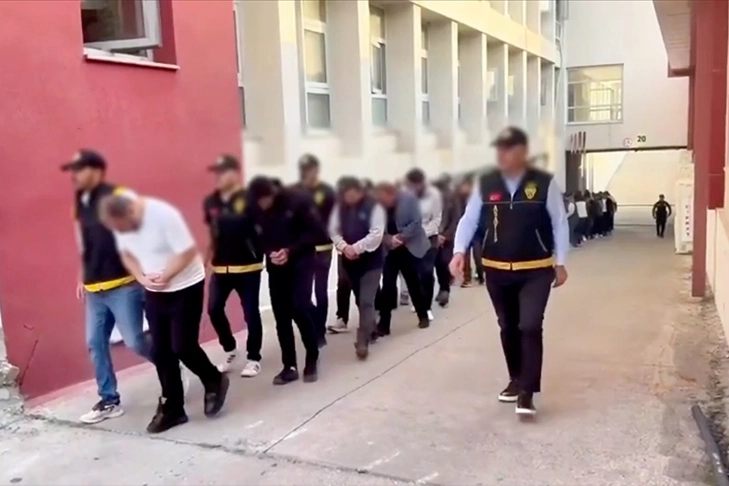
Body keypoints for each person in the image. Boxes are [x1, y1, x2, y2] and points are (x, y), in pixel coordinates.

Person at [449, 126, 570, 417]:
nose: (502, 155)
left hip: (536, 269)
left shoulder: (544, 183)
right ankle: (516, 379)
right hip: (497, 269)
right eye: (500, 149)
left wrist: (561, 262)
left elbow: (559, 222)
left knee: (530, 325)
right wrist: (459, 251)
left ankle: (527, 392)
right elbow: (469, 219)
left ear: (523, 152)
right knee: (508, 326)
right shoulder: (486, 183)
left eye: (509, 149)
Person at [99, 192, 229, 434]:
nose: (121, 232)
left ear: (130, 212)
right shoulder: (119, 222)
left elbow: (187, 253)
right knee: (161, 350)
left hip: (186, 286)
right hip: (155, 290)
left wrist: (167, 276)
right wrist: (141, 277)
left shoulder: (163, 215)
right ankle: (173, 408)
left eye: (122, 227)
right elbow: (126, 255)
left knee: (183, 346)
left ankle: (213, 378)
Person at [62, 150, 152, 425]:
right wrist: (82, 276)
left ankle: (169, 366)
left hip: (123, 285)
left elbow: (139, 234)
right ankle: (109, 400)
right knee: (95, 343)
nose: (74, 175)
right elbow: (83, 243)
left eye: (79, 169)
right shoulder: (80, 200)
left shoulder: (119, 196)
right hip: (94, 288)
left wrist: (142, 273)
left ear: (97, 170)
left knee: (136, 341)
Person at [247, 176, 322, 384]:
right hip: (276, 265)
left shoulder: (297, 200)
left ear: (272, 194)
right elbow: (255, 236)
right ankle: (289, 366)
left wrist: (290, 250)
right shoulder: (254, 208)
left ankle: (312, 356)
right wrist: (268, 251)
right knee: (281, 315)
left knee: (299, 308)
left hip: (301, 262)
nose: (262, 205)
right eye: (258, 201)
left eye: (265, 200)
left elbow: (316, 232)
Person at [203, 155, 264, 378]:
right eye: (216, 173)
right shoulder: (211, 202)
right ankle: (230, 348)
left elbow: (264, 229)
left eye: (222, 172)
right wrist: (206, 260)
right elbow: (212, 232)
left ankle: (254, 358)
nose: (218, 177)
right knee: (214, 309)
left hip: (248, 267)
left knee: (250, 313)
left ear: (235, 173)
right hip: (221, 268)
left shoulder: (250, 199)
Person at [329, 177, 385, 359]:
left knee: (367, 300)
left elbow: (376, 234)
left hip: (371, 262)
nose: (349, 198)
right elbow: (333, 230)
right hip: (349, 262)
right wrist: (344, 247)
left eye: (352, 194)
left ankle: (362, 342)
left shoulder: (374, 207)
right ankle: (371, 328)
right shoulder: (340, 208)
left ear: (360, 192)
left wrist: (357, 248)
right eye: (346, 194)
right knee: (360, 300)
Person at [375, 181, 431, 334]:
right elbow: (377, 227)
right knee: (388, 285)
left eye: (384, 198)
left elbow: (416, 222)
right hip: (390, 250)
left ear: (391, 194)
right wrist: (388, 240)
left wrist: (401, 237)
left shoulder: (409, 199)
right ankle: (384, 324)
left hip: (408, 247)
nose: (382, 202)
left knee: (413, 282)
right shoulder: (379, 206)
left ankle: (423, 315)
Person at [294, 154, 336, 348]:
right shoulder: (296, 191)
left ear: (316, 170)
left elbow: (334, 219)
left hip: (322, 247)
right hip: (302, 249)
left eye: (310, 169)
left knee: (320, 290)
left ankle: (319, 331)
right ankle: (311, 324)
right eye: (304, 170)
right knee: (303, 292)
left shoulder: (326, 192)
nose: (307, 173)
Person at [404, 168, 441, 320]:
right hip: (410, 239)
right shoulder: (405, 196)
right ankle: (418, 301)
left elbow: (436, 219)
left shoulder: (434, 195)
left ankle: (427, 306)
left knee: (427, 272)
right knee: (415, 273)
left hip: (429, 237)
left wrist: (421, 233)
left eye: (415, 185)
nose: (413, 189)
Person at [433, 175, 459, 307]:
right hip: (431, 236)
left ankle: (444, 289)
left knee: (443, 263)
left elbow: (456, 219)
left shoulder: (452, 198)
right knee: (434, 265)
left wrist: (446, 235)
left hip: (446, 237)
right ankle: (441, 289)